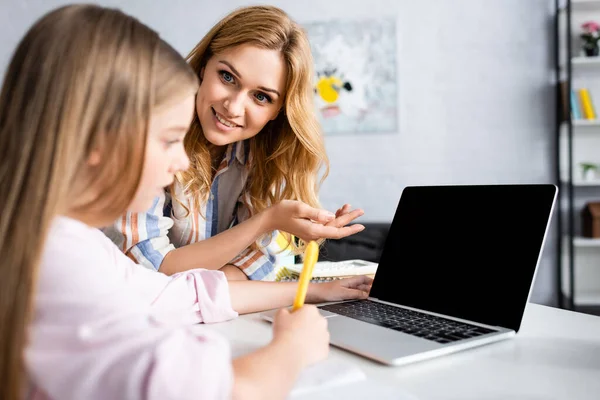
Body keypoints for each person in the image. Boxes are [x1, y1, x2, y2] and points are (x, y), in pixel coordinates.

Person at [0, 5, 372, 400]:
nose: (179, 161)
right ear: (96, 136)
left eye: (261, 96)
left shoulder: (73, 245)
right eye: (166, 140)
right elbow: (223, 389)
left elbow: (184, 292)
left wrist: (313, 289)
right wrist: (292, 351)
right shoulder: (65, 265)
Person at [103, 5, 365, 281]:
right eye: (227, 77)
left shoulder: (268, 158)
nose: (233, 107)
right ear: (204, 67)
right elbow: (151, 273)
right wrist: (263, 222)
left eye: (261, 96)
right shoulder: (145, 136)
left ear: (279, 110)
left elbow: (257, 268)